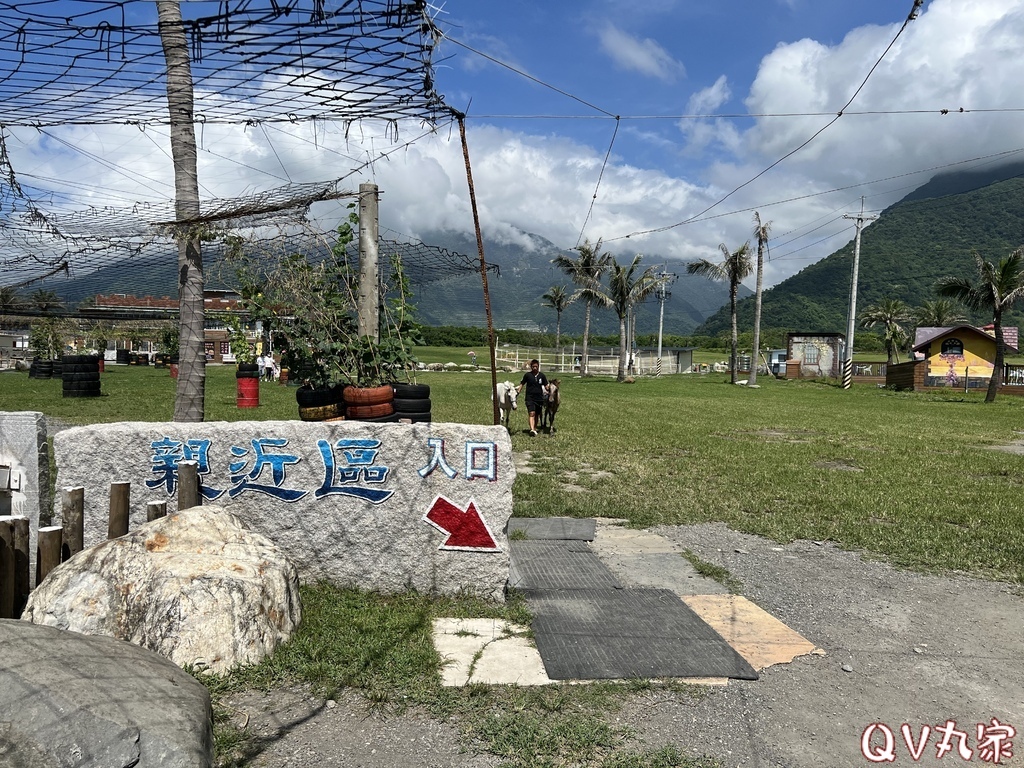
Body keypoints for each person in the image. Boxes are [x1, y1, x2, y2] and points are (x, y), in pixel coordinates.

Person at [516, 359, 549, 437]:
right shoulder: (527, 375)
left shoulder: (542, 376)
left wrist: (551, 389)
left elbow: (546, 386)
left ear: (538, 366)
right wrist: (517, 392)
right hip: (529, 397)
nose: (534, 368)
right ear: (531, 367)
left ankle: (534, 428)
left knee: (537, 414)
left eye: (536, 366)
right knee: (531, 413)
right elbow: (522, 384)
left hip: (539, 398)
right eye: (533, 366)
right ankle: (532, 429)